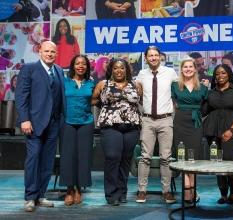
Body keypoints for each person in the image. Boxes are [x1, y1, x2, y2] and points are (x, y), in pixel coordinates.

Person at [15, 41, 65, 212]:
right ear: (40, 52)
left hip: (53, 124)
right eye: (46, 51)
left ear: (56, 53)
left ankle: (40, 195)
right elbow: (21, 97)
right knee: (34, 159)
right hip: (34, 124)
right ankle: (30, 197)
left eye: (52, 51)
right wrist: (24, 119)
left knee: (47, 161)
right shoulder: (29, 69)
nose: (50, 54)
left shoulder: (58, 70)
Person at [92, 58, 141, 206]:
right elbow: (94, 100)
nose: (119, 71)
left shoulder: (136, 85)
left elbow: (141, 102)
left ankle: (122, 192)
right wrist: (106, 106)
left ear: (126, 70)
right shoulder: (103, 84)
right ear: (111, 70)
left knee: (126, 160)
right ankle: (111, 193)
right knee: (113, 158)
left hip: (131, 128)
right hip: (110, 126)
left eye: (122, 68)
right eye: (115, 68)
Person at [135, 46, 177, 204]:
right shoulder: (141, 74)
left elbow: (178, 91)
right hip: (147, 120)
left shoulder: (170, 73)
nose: (153, 58)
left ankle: (166, 191)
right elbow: (137, 94)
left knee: (165, 157)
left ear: (160, 57)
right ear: (145, 58)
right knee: (145, 157)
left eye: (156, 55)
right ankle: (142, 190)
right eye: (150, 56)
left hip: (165, 120)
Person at [203, 64, 233, 205]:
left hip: (232, 132)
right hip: (212, 132)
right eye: (217, 74)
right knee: (217, 164)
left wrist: (231, 130)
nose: (220, 76)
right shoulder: (211, 92)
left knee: (230, 164)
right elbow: (204, 111)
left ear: (228, 74)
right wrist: (204, 92)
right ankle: (223, 193)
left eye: (223, 73)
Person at [171, 56, 208, 203]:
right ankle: (188, 190)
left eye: (190, 67)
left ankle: (193, 188)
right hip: (180, 122)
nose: (188, 69)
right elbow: (174, 105)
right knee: (183, 157)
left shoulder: (203, 87)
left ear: (195, 69)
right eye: (185, 67)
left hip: (196, 124)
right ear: (181, 69)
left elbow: (206, 107)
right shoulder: (175, 85)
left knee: (193, 157)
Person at [60, 55, 95, 206]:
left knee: (84, 157)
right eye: (77, 63)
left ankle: (79, 189)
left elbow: (97, 99)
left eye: (83, 64)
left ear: (87, 67)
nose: (80, 66)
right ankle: (69, 190)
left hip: (86, 123)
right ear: (73, 66)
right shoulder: (64, 82)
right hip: (67, 123)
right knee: (68, 156)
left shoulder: (92, 83)